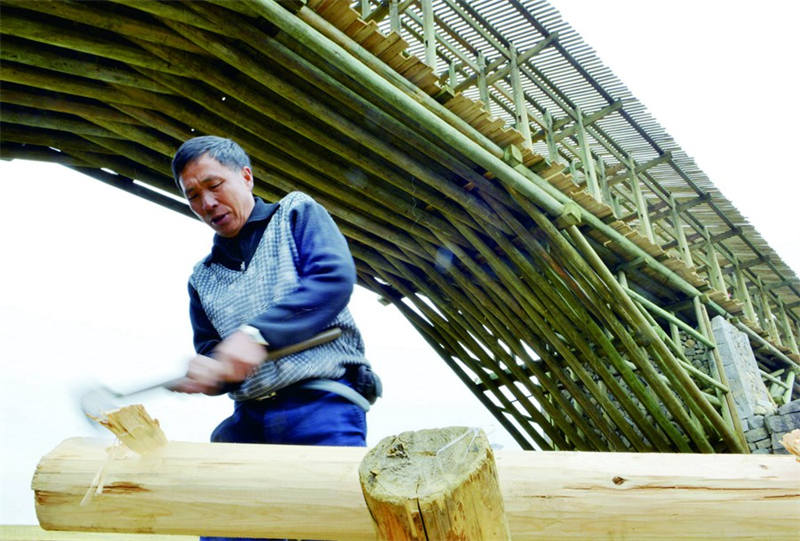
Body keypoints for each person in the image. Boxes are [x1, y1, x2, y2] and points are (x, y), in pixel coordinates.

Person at [170, 136, 379, 541]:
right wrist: (211, 370)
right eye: (193, 195)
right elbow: (212, 349)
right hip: (248, 420)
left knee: (335, 525)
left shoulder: (296, 213)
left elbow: (332, 279)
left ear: (246, 177)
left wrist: (257, 335)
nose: (206, 203)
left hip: (321, 404)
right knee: (222, 529)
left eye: (214, 186)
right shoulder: (202, 277)